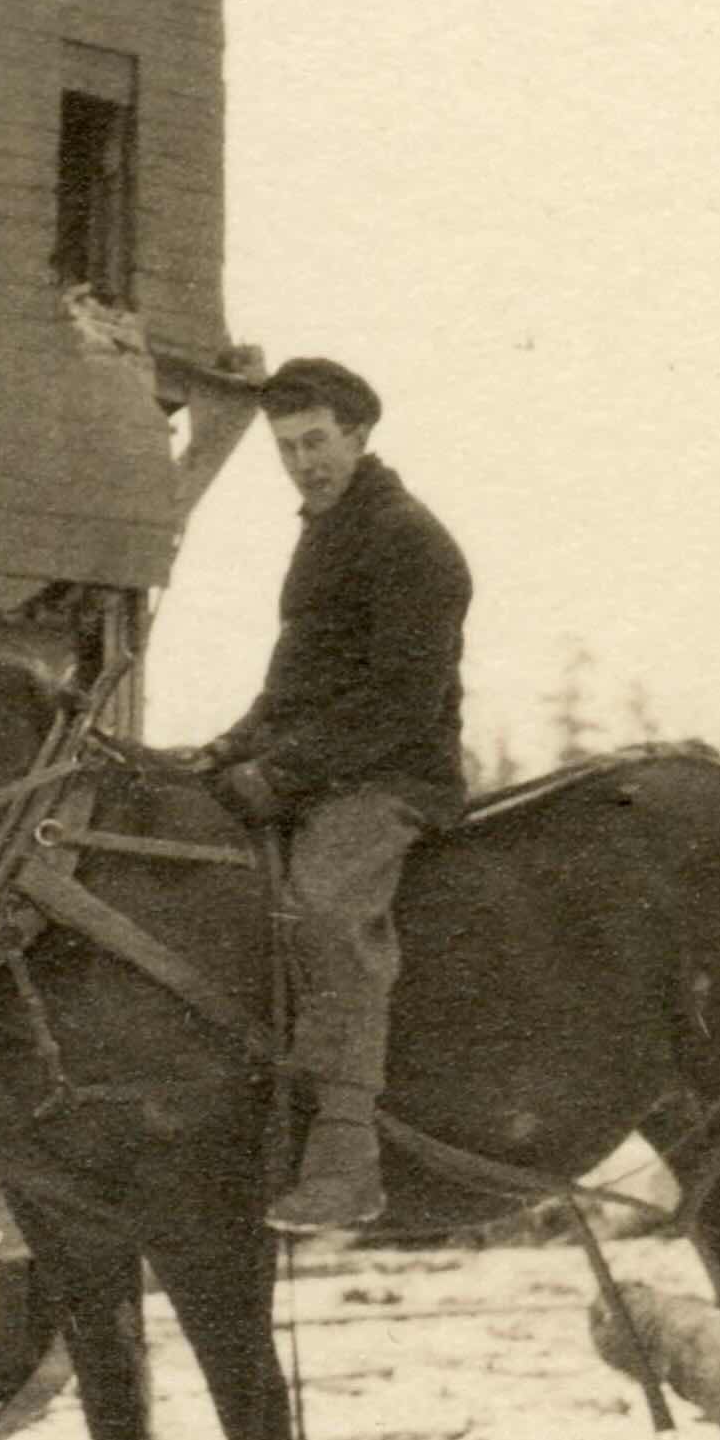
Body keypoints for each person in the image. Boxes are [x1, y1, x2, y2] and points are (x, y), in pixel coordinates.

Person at [195, 354, 472, 1232]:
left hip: (394, 776)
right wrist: (229, 747)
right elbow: (293, 685)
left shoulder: (409, 540)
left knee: (323, 904)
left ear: (358, 433)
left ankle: (347, 1160)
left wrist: (279, 776)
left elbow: (400, 704)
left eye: (316, 441)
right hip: (323, 763)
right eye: (285, 447)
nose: (302, 461)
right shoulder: (324, 529)